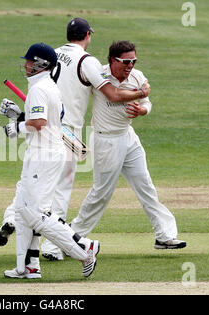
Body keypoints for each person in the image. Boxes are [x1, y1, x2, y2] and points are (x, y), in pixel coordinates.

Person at [0, 18, 151, 261]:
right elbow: (112, 93)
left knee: (30, 183)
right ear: (88, 35)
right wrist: (142, 93)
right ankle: (55, 247)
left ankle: (11, 219)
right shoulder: (87, 61)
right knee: (59, 192)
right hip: (64, 131)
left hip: (41, 121)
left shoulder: (51, 53)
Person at [69, 40, 186, 250]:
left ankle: (164, 235)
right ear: (113, 60)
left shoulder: (137, 76)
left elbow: (147, 103)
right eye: (126, 62)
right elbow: (114, 96)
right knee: (101, 194)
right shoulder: (100, 75)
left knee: (145, 185)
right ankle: (71, 237)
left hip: (128, 137)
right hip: (105, 140)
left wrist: (143, 110)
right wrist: (142, 93)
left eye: (133, 61)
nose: (130, 66)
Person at [1, 43, 100, 279]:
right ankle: (27, 267)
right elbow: (41, 118)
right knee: (22, 210)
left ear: (40, 65)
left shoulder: (39, 89)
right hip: (44, 152)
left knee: (36, 214)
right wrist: (22, 116)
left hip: (43, 155)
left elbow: (38, 123)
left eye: (29, 61)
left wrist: (15, 127)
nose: (25, 65)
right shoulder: (47, 86)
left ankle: (84, 249)